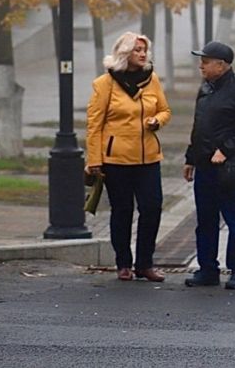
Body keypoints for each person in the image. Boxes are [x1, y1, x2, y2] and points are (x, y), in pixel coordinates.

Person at [85, 31, 171, 282]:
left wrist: (157, 121)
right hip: (116, 160)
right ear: (124, 53)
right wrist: (94, 160)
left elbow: (165, 110)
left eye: (144, 50)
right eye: (137, 50)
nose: (143, 54)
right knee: (122, 211)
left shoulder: (151, 79)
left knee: (152, 208)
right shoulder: (104, 84)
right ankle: (123, 263)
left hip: (148, 158)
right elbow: (94, 125)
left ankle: (145, 263)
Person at [183, 41, 235, 290]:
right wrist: (190, 157)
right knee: (205, 219)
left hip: (228, 168)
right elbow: (199, 127)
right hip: (204, 165)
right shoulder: (206, 89)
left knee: (232, 216)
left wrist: (225, 150)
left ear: (221, 65)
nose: (201, 66)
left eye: (205, 62)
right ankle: (207, 269)